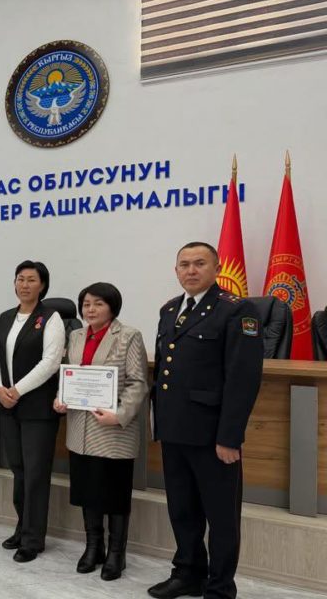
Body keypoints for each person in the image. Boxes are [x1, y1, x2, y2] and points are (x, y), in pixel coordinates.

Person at [147, 242, 263, 599]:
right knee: (182, 510)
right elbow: (165, 372)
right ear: (176, 270)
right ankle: (188, 574)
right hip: (174, 430)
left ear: (216, 268)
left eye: (199, 263)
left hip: (212, 435)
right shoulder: (170, 309)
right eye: (184, 264)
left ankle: (220, 587)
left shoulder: (236, 310)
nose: (191, 270)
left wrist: (230, 437)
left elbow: (243, 380)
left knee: (221, 517)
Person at [53, 282, 148, 580]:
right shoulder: (76, 335)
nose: (90, 309)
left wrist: (119, 415)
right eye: (86, 304)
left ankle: (117, 554)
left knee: (115, 493)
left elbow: (138, 382)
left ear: (112, 307)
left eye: (98, 304)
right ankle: (93, 547)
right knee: (87, 491)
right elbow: (70, 375)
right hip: (81, 427)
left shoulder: (129, 335)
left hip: (113, 429)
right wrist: (61, 398)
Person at [0, 260, 64, 563]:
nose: (24, 285)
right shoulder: (5, 317)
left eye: (31, 280)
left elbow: (50, 362)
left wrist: (16, 390)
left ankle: (34, 539)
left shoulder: (52, 317)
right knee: (19, 470)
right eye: (20, 279)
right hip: (8, 406)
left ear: (42, 285)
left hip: (37, 409)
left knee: (35, 474)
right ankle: (22, 527)